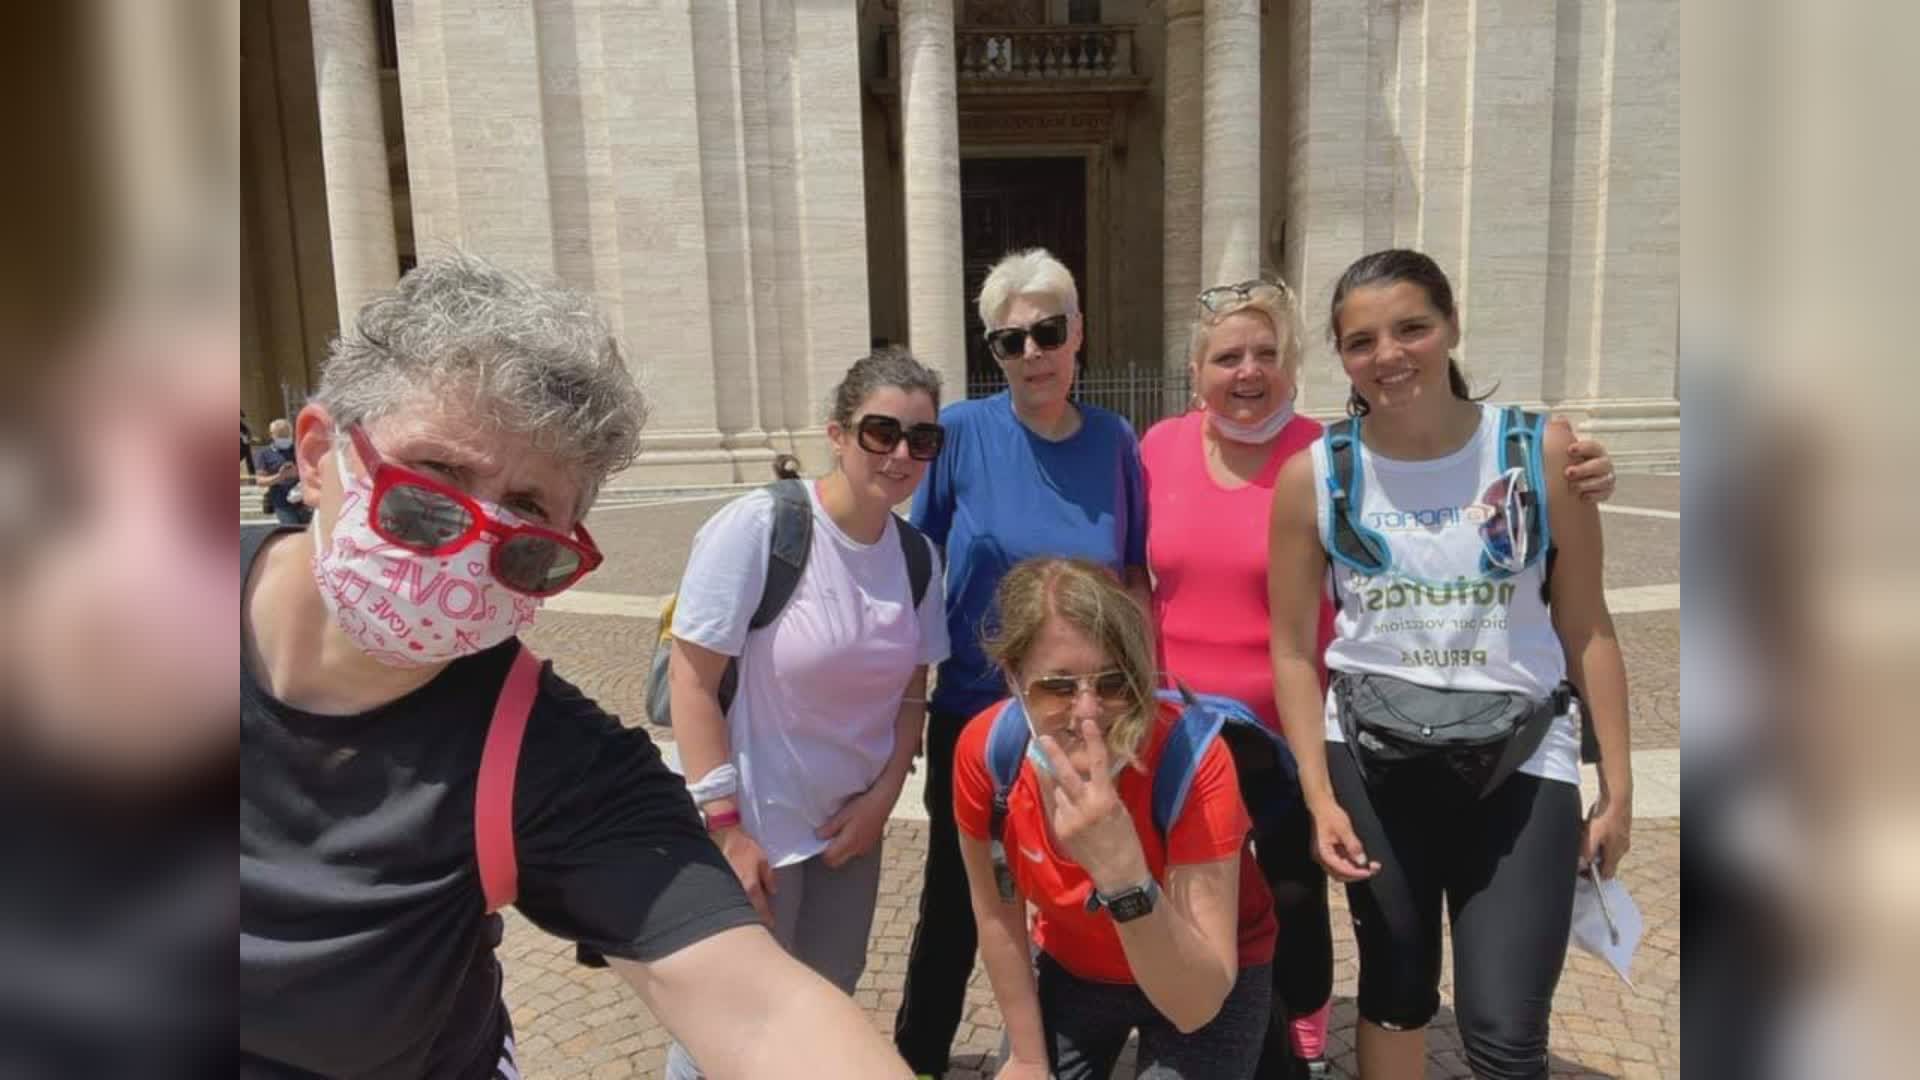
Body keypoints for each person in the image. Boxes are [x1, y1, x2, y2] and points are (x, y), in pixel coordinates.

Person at [240, 253, 912, 1080]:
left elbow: (761, 1011)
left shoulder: (547, 758)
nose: (464, 544)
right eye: (429, 486)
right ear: (317, 455)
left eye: (525, 527)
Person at [1140, 279, 1620, 1078]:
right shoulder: (1162, 448)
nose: (1248, 370)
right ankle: (1213, 1041)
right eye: (1228, 356)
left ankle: (1300, 1041)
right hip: (1216, 730)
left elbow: (1585, 619)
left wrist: (1619, 785)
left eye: (1267, 353)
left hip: (1340, 733)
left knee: (1308, 909)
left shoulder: (1325, 454)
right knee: (1219, 908)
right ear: (1197, 373)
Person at [1267, 250, 1633, 1080]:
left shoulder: (1542, 453)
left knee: (1505, 1028)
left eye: (1412, 328)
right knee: (1396, 990)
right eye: (1361, 342)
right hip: (1370, 756)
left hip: (1521, 756)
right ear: (1341, 355)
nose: (1388, 355)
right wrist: (1318, 795)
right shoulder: (1315, 476)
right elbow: (1292, 647)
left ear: (1451, 325)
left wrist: (1619, 785)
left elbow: (1587, 625)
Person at [897, 248, 1151, 1078]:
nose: (1033, 353)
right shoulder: (961, 433)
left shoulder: (1116, 441)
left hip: (1087, 718)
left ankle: (1060, 1055)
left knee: (1081, 889)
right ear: (993, 352)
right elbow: (918, 564)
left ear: (1077, 334)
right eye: (1011, 341)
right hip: (975, 711)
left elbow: (1136, 577)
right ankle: (920, 1056)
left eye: (1048, 332)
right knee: (958, 903)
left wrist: (1146, 699)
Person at [665, 347, 951, 1079]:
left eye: (922, 440)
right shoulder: (761, 527)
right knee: (725, 1029)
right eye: (880, 432)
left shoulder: (918, 557)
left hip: (846, 836)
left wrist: (882, 802)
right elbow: (693, 685)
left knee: (822, 1011)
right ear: (836, 433)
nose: (899, 455)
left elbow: (914, 691)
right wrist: (725, 829)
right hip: (754, 831)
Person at [955, 557, 1278, 1079]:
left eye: (1112, 683)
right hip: (1078, 970)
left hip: (1203, 974)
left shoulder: (1194, 761)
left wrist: (1123, 874)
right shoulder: (990, 755)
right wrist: (1029, 1057)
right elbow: (998, 913)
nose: (1088, 713)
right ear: (1015, 678)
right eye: (1057, 688)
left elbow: (1194, 1005)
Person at [253, 418, 309, 526]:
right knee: (293, 533)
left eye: (286, 435)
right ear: (272, 435)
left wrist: (298, 473)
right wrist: (280, 476)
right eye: (281, 435)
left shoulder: (299, 449)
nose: (284, 438)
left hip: (305, 502)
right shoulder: (264, 453)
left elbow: (313, 470)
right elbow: (260, 481)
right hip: (282, 503)